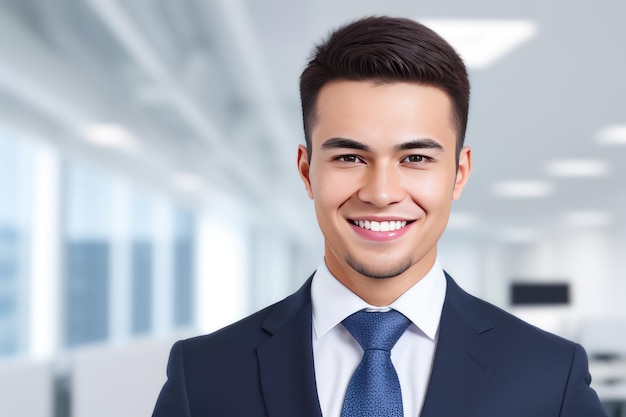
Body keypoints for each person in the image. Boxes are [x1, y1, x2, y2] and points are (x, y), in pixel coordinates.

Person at [152, 16, 607, 417]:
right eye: (350, 158)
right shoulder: (205, 374)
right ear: (307, 172)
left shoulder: (549, 376)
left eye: (415, 159)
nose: (381, 193)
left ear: (459, 172)